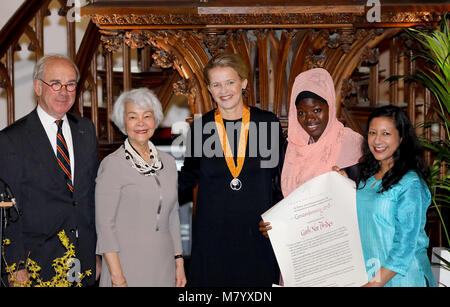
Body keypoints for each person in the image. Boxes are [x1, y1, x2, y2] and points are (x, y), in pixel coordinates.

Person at [178, 52, 282, 286]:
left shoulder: (266, 123)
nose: (223, 90)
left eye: (230, 82)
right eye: (216, 84)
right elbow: (188, 176)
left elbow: (281, 177)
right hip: (213, 237)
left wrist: (280, 218)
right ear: (209, 89)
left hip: (258, 234)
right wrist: (150, 183)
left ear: (243, 83)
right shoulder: (201, 127)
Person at [0, 54, 99, 286]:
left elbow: (91, 197)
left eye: (71, 84)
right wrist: (14, 267)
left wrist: (98, 254)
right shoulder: (11, 140)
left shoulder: (85, 130)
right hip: (37, 264)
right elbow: (6, 211)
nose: (64, 91)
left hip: (83, 261)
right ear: (38, 86)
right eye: (55, 83)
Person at [335, 105, 436, 287]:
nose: (377, 140)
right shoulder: (367, 179)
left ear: (402, 137)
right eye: (373, 133)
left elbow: (405, 247)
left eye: (386, 134)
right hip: (369, 275)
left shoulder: (410, 183)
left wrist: (374, 284)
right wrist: (344, 186)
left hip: (402, 280)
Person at [95, 88, 186, 287]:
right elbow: (104, 226)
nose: (141, 123)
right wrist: (117, 276)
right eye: (133, 117)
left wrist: (179, 261)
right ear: (123, 122)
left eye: (147, 116)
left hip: (164, 263)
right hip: (125, 265)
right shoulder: (112, 165)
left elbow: (173, 215)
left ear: (156, 120)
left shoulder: (169, 163)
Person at [259, 68, 364, 238]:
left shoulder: (351, 145)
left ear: (329, 106)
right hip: (297, 242)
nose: (309, 119)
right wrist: (272, 224)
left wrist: (348, 187)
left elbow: (365, 200)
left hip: (338, 241)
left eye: (316, 110)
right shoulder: (290, 148)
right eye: (301, 113)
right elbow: (277, 194)